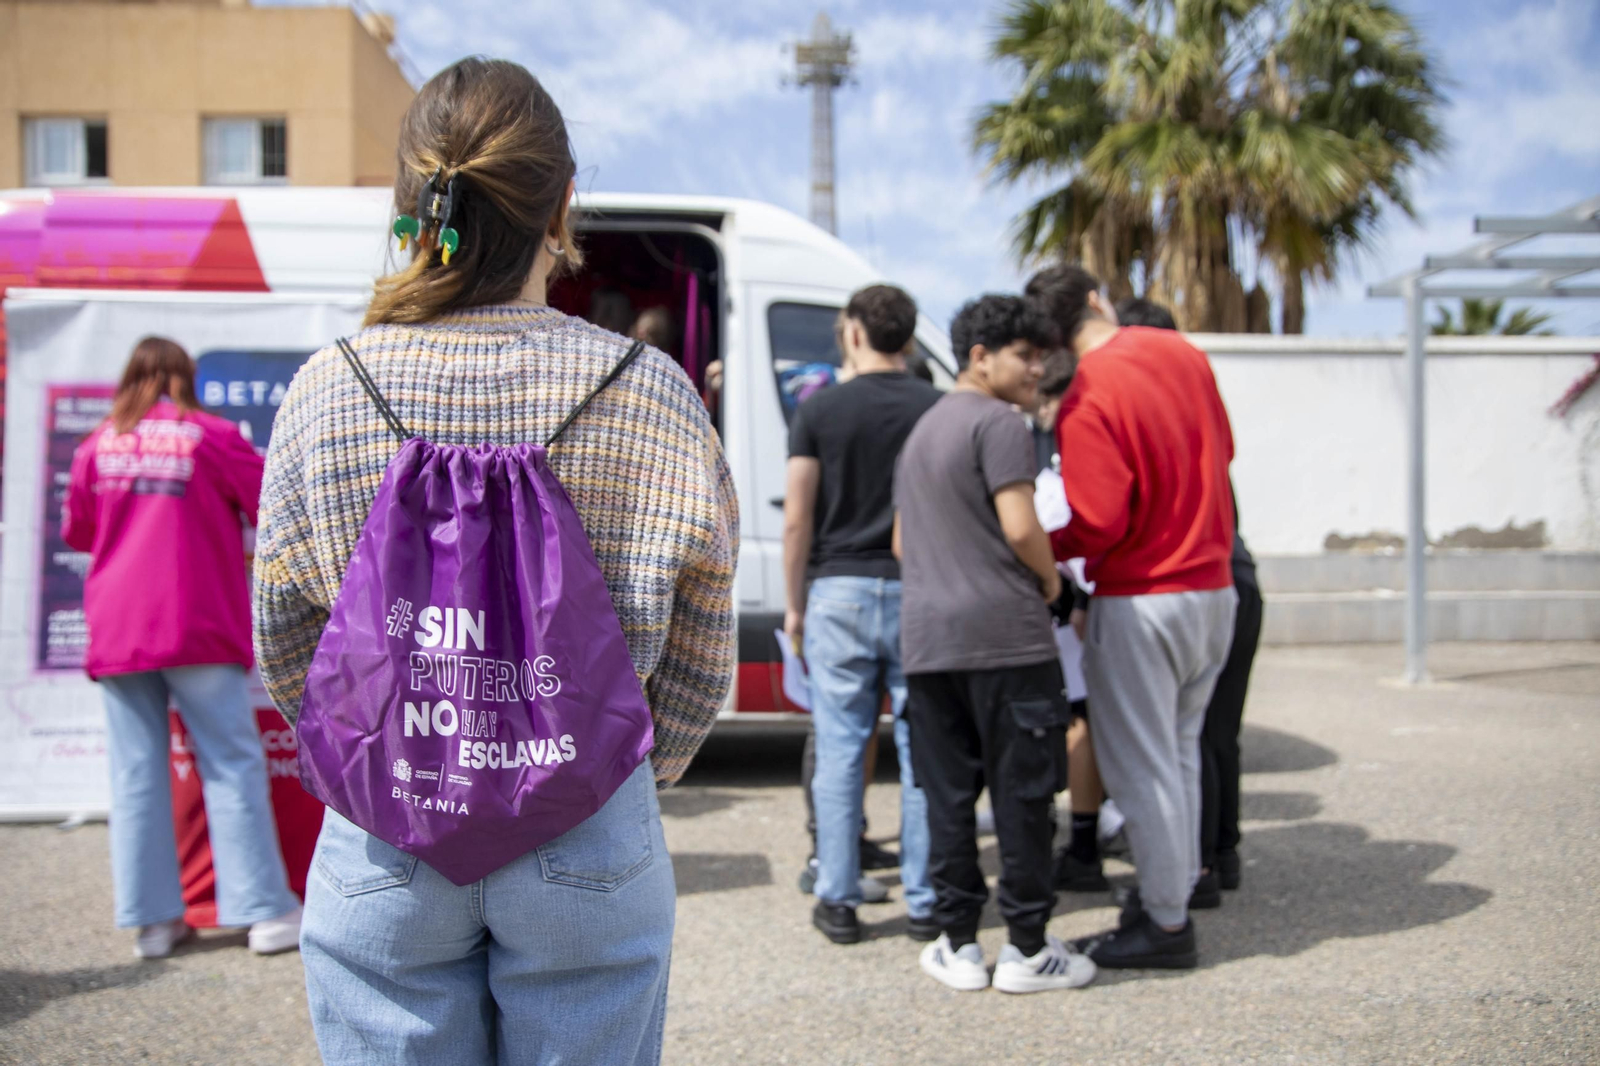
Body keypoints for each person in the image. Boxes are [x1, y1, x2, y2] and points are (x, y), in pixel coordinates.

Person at [252, 58, 737, 1064]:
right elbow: (701, 644)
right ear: (563, 205)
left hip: (389, 818)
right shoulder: (653, 393)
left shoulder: (324, 390)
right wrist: (609, 774)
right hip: (589, 820)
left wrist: (390, 755)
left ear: (414, 203)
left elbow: (286, 635)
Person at [63, 336, 302, 961]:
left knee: (136, 772)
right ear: (184, 378)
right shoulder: (209, 435)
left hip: (118, 628)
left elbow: (79, 531)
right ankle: (266, 913)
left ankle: (153, 923)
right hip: (193, 621)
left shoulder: (97, 444)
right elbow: (269, 502)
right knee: (230, 761)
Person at [1027, 265, 1236, 971]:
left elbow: (1101, 519)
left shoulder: (1087, 392)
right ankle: (1168, 895)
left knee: (1143, 767)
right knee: (1179, 755)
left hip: (1144, 598)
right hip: (1214, 585)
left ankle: (1166, 923)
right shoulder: (1186, 354)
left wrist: (1043, 551)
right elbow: (1225, 452)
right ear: (1094, 299)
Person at [894, 294, 1096, 994]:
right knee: (1022, 797)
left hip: (928, 642)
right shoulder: (1000, 423)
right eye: (1026, 354)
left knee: (949, 800)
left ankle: (958, 946)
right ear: (980, 356)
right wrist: (1047, 582)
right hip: (1008, 641)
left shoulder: (921, 433)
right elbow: (1019, 525)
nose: (1038, 367)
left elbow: (899, 541)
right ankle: (1029, 949)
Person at [785, 284, 939, 945]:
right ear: (907, 338)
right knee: (922, 749)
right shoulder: (938, 409)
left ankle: (839, 900)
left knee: (842, 750)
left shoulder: (821, 410)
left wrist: (794, 607)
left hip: (838, 590)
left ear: (853, 334)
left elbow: (797, 518)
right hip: (918, 591)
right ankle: (927, 899)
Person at [1114, 295, 1264, 894]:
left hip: (1193, 586)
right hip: (1235, 586)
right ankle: (1220, 854)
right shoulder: (1198, 422)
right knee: (1213, 730)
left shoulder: (1150, 426)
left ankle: (1194, 868)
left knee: (1180, 737)